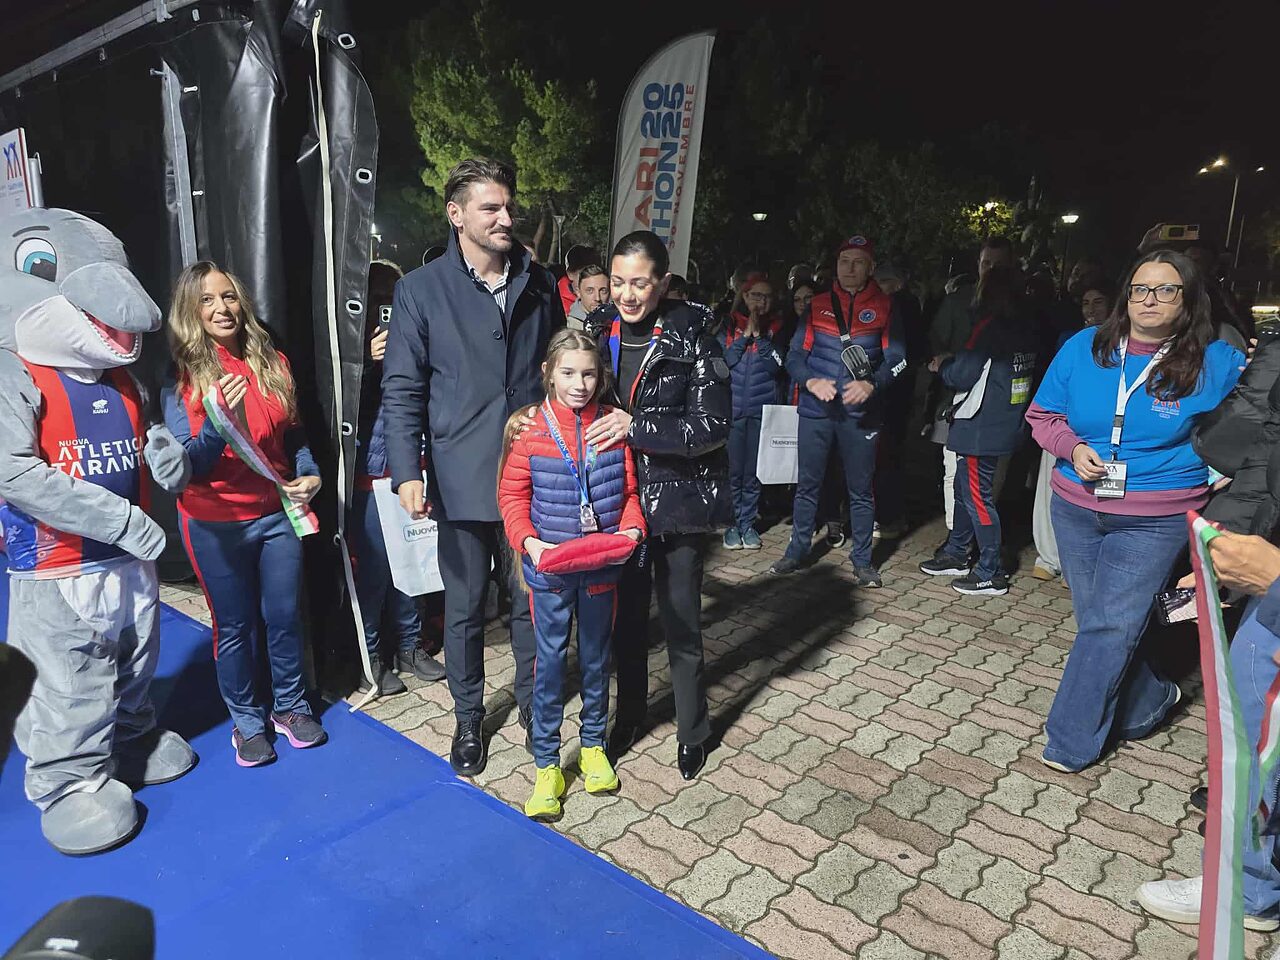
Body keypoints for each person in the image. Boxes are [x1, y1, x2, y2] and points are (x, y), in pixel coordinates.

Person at [1026, 250, 1244, 772]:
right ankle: (1149, 702)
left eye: (1166, 289)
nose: (1150, 299)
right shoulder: (1084, 347)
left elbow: (1256, 426)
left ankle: (1070, 742)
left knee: (1108, 626)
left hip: (1155, 516)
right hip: (1077, 507)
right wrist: (1072, 447)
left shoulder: (1217, 361)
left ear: (1188, 300)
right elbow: (1043, 414)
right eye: (1140, 288)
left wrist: (1223, 471)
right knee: (1101, 622)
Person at [381, 157, 561, 777]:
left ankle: (536, 706)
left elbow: (555, 368)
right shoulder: (420, 290)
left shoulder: (540, 283)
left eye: (509, 206)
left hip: (533, 475)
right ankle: (467, 717)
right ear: (456, 215)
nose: (506, 217)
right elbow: (402, 388)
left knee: (530, 602)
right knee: (462, 608)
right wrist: (407, 471)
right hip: (459, 478)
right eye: (491, 208)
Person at [162, 261, 327, 767]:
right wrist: (218, 424)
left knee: (284, 617)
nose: (222, 308)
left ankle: (291, 707)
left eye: (229, 296)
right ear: (191, 312)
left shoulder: (272, 361)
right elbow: (188, 466)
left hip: (276, 515)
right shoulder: (180, 378)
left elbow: (292, 433)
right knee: (234, 627)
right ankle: (248, 723)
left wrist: (309, 471)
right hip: (214, 523)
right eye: (207, 300)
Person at [584, 230, 731, 780]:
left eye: (640, 283)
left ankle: (694, 730)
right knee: (624, 625)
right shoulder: (598, 331)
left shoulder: (695, 336)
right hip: (616, 501)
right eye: (617, 281)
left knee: (681, 622)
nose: (626, 294)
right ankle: (629, 717)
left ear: (663, 283)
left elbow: (712, 426)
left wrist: (636, 427)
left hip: (678, 505)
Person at [498, 329, 646, 819]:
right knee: (549, 666)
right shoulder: (531, 430)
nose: (579, 384)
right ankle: (546, 765)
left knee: (597, 660)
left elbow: (629, 494)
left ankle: (593, 747)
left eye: (588, 374)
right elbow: (512, 496)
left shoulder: (612, 426)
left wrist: (633, 528)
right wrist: (529, 542)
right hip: (551, 571)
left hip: (601, 566)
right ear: (548, 373)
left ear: (600, 376)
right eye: (568, 373)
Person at [1136, 530, 1280, 933]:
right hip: (1267, 604)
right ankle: (1248, 888)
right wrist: (1232, 566)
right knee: (1251, 760)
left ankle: (1248, 889)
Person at [770, 235, 907, 587]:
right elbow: (794, 356)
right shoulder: (817, 305)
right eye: (844, 261)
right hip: (816, 410)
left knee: (861, 489)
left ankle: (862, 561)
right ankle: (796, 551)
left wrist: (873, 384)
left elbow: (899, 359)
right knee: (807, 484)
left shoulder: (887, 307)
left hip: (862, 415)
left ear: (870, 267)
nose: (850, 268)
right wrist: (810, 381)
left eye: (858, 262)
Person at [351, 260, 445, 697]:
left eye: (394, 299)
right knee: (373, 572)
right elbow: (341, 408)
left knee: (413, 564)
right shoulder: (349, 351)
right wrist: (365, 364)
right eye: (380, 300)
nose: (388, 308)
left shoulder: (418, 333)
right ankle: (370, 657)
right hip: (370, 476)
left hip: (412, 470)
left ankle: (410, 645)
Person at [921, 266, 1037, 595]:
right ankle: (957, 553)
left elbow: (964, 373)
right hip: (1006, 423)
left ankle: (990, 570)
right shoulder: (1027, 328)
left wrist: (943, 365)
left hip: (980, 428)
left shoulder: (989, 328)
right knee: (965, 491)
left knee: (977, 498)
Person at [928, 237, 1015, 530]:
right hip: (955, 400)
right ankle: (957, 536)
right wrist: (946, 363)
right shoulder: (958, 301)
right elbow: (937, 343)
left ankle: (974, 541)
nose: (991, 270)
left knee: (988, 482)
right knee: (953, 471)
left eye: (998, 264)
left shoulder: (1018, 309)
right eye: (986, 263)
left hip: (996, 410)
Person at [1031, 281, 1114, 581]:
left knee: (1099, 499)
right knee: (1050, 490)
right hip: (1062, 427)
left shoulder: (1128, 344)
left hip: (1104, 436)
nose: (1091, 309)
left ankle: (1079, 566)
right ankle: (1049, 556)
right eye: (1085, 303)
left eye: (1098, 301)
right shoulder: (1072, 340)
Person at [719, 273, 785, 550]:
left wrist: (761, 337)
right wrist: (745, 336)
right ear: (744, 296)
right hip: (733, 411)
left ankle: (747, 524)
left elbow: (776, 366)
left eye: (766, 296)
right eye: (756, 295)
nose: (761, 301)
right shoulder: (728, 324)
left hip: (762, 413)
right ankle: (732, 525)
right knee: (733, 471)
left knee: (754, 473)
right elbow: (723, 363)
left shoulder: (779, 328)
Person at [559, 244, 602, 318]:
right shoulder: (557, 304)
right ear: (570, 274)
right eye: (584, 273)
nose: (591, 279)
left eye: (596, 272)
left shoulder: (606, 299)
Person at [566, 263, 609, 330]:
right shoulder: (571, 329)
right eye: (590, 291)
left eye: (603, 291)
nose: (597, 298)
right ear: (578, 292)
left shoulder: (617, 321)